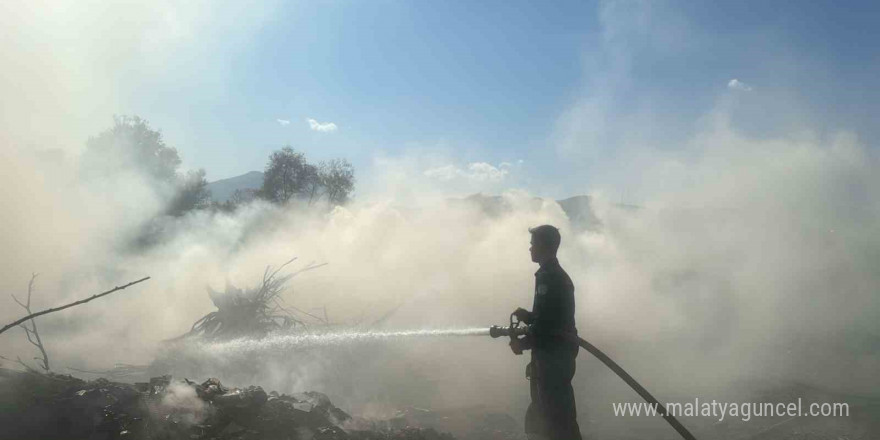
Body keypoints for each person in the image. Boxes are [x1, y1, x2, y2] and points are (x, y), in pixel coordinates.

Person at [510, 225, 582, 440]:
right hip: (557, 356)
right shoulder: (555, 275)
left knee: (556, 420)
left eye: (533, 244)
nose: (530, 248)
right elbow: (551, 318)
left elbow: (546, 328)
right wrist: (529, 316)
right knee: (556, 416)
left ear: (544, 246)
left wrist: (521, 344)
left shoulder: (548, 277)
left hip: (552, 358)